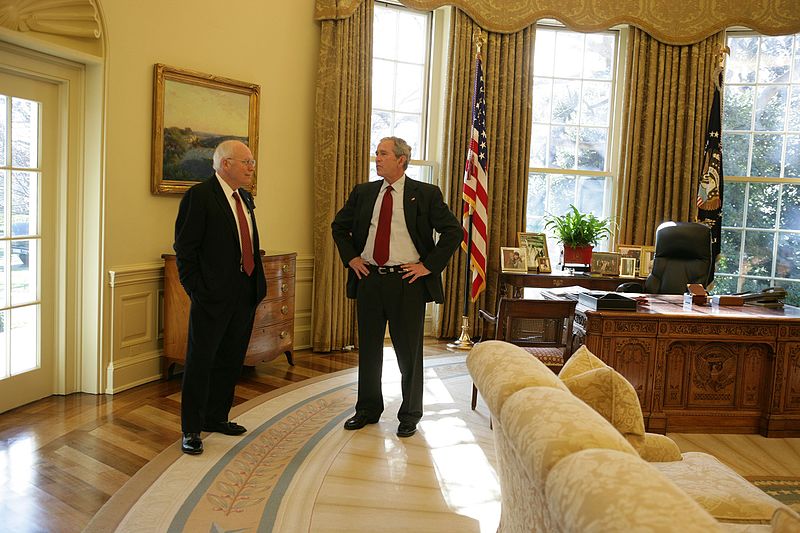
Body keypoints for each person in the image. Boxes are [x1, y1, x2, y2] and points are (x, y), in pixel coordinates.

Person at [331, 136, 461, 438]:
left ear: (401, 159)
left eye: (383, 154)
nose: (377, 158)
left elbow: (453, 231)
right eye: (376, 153)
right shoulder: (363, 193)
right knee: (370, 350)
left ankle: (410, 414)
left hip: (407, 282)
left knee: (409, 352)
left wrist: (428, 266)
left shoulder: (425, 194)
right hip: (370, 280)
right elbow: (339, 226)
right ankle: (367, 409)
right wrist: (351, 258)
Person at [173, 139, 267, 455]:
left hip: (245, 292)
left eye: (252, 162)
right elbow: (185, 251)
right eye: (247, 162)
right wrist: (198, 291)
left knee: (230, 359)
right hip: (212, 297)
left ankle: (216, 417)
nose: (252, 167)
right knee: (201, 362)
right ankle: (191, 429)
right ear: (225, 164)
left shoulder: (246, 198)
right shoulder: (199, 197)